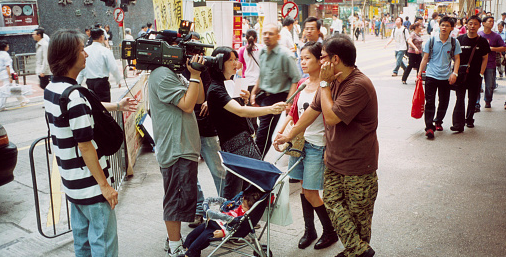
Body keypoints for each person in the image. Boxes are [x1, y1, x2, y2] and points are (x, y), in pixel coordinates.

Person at [274, 34, 379, 257]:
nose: (320, 62)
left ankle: (355, 250)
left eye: (322, 57)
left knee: (358, 215)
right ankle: (358, 250)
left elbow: (331, 117)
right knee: (331, 202)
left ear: (335, 59)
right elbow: (313, 111)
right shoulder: (333, 82)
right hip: (334, 159)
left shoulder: (358, 84)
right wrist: (289, 135)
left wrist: (323, 84)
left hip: (358, 164)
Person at [44, 29, 136, 257]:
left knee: (83, 246)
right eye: (80, 50)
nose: (85, 54)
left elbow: (82, 112)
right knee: (103, 247)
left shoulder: (53, 90)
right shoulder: (73, 96)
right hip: (91, 187)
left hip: (72, 185)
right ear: (67, 57)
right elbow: (85, 146)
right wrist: (105, 186)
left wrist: (117, 106)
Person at [274, 41, 339, 250]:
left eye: (307, 58)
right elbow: (294, 112)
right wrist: (282, 132)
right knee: (303, 189)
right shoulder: (303, 83)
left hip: (317, 145)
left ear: (320, 60)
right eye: (301, 58)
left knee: (310, 191)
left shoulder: (327, 85)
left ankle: (330, 231)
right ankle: (309, 230)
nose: (302, 62)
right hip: (298, 143)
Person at [148, 32, 206, 256]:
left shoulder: (173, 73)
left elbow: (198, 98)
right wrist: (192, 75)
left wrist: (196, 74)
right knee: (175, 198)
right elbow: (187, 105)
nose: (181, 52)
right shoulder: (162, 74)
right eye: (175, 47)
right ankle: (174, 248)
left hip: (183, 146)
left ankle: (174, 238)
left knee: (183, 198)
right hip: (176, 148)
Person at [207, 45, 286, 199]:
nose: (235, 63)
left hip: (243, 139)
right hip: (234, 142)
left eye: (236, 59)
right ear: (219, 63)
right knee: (252, 181)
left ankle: (236, 217)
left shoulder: (230, 83)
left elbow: (241, 111)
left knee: (242, 183)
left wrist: (245, 100)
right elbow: (240, 111)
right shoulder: (216, 89)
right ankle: (233, 217)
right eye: (230, 60)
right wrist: (270, 109)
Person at [250, 24, 300, 160]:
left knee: (263, 134)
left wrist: (288, 103)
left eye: (270, 33)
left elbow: (296, 79)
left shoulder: (286, 55)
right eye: (265, 33)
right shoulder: (262, 52)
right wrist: (254, 92)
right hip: (263, 97)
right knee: (261, 131)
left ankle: (256, 165)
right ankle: (255, 164)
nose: (267, 36)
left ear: (278, 36)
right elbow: (262, 75)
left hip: (278, 98)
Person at [179, 188, 263, 257]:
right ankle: (190, 252)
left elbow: (236, 226)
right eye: (243, 203)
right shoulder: (240, 204)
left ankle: (189, 255)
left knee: (199, 242)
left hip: (220, 228)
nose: (242, 205)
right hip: (215, 221)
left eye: (245, 206)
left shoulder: (245, 215)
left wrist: (223, 233)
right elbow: (228, 209)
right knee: (191, 236)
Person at [417, 16, 462, 139]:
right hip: (431, 75)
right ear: (439, 26)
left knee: (444, 101)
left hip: (446, 77)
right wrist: (419, 74)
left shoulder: (454, 42)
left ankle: (438, 121)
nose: (444, 27)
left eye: (447, 26)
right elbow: (425, 58)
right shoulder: (431, 41)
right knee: (430, 102)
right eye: (442, 25)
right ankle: (429, 127)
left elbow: (457, 58)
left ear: (451, 28)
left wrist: (455, 73)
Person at [451, 15, 489, 131]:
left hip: (475, 75)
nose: (472, 26)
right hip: (461, 75)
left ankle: (470, 119)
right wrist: (456, 71)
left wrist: (481, 73)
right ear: (466, 24)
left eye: (475, 24)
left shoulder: (482, 41)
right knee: (460, 98)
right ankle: (458, 124)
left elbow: (485, 58)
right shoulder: (460, 39)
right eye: (470, 23)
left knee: (472, 98)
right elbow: (454, 56)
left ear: (479, 26)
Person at [76, 29, 122, 102]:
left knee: (94, 105)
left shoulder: (85, 50)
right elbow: (113, 67)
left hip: (90, 83)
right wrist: (118, 80)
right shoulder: (105, 51)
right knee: (104, 106)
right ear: (101, 37)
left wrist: (78, 83)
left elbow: (81, 69)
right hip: (102, 83)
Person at [476, 16, 506, 110]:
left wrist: (493, 49)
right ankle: (476, 103)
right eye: (489, 21)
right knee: (477, 84)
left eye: (493, 21)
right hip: (478, 64)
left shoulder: (496, 36)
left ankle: (488, 100)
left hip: (490, 64)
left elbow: (504, 47)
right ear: (483, 23)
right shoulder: (478, 35)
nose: (492, 23)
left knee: (489, 85)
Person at [238, 29, 263, 132]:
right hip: (260, 83)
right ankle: (260, 130)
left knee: (249, 108)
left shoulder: (242, 50)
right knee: (260, 108)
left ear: (246, 38)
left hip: (247, 83)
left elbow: (239, 66)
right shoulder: (262, 48)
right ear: (256, 38)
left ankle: (252, 130)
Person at [0, 40, 29, 111]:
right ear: (5, 47)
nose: (8, 47)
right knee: (5, 90)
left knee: (13, 88)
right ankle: (1, 106)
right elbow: (8, 66)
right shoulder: (5, 55)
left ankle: (23, 100)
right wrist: (10, 76)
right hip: (7, 74)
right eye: (7, 45)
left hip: (3, 74)